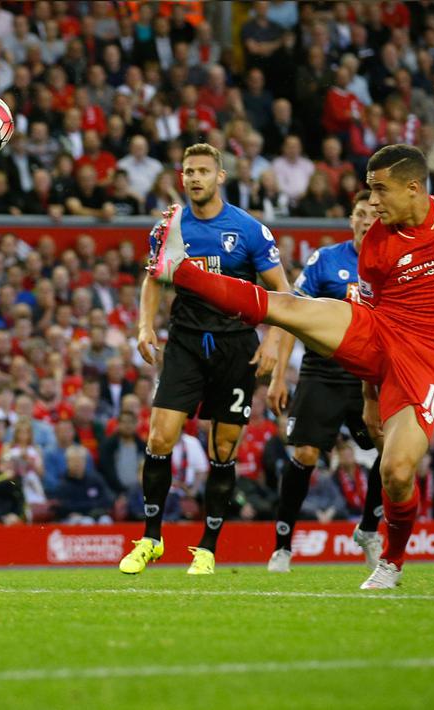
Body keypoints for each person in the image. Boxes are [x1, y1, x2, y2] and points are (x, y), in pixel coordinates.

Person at [148, 143, 434, 589]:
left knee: (397, 472)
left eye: (381, 191)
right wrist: (369, 394)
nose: (373, 203)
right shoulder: (378, 245)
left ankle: (392, 562)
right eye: (369, 190)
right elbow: (369, 314)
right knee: (288, 307)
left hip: (426, 355)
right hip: (379, 329)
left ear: (413, 188)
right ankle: (181, 270)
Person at [121, 142, 290, 577]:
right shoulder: (171, 226)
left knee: (224, 447)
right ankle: (151, 538)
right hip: (186, 343)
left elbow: (283, 292)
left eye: (202, 171)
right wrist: (144, 327)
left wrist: (273, 341)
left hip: (236, 346)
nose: (194, 178)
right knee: (160, 437)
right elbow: (153, 280)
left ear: (220, 177)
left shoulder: (249, 230)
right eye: (188, 172)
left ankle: (208, 548)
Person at [266, 191, 384, 572]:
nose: (366, 221)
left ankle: (369, 530)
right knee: (305, 454)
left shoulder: (392, 264)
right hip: (323, 371)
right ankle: (282, 546)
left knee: (393, 450)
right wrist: (279, 377)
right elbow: (291, 312)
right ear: (351, 219)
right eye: (360, 214)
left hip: (368, 375)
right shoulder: (326, 260)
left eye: (373, 214)